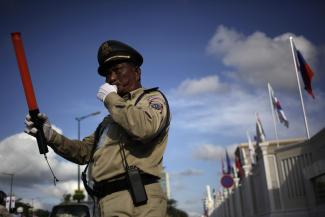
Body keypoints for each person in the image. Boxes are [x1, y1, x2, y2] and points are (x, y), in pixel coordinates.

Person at [25, 40, 170, 217]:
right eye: (108, 74)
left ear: (137, 72)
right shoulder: (110, 120)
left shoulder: (151, 99)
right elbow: (84, 152)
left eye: (117, 70)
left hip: (138, 199)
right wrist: (51, 136)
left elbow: (145, 128)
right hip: (103, 200)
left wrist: (110, 98)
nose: (111, 79)